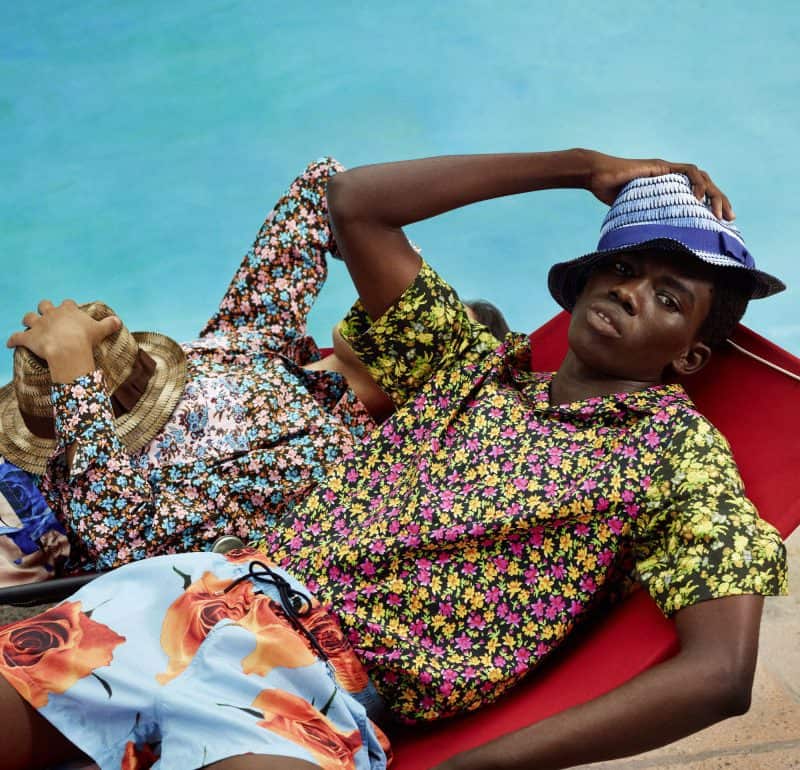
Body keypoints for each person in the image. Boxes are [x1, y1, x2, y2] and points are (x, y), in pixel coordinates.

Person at [0, 149, 787, 770]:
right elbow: (354, 203)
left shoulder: (673, 455)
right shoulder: (468, 367)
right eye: (620, 268)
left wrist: (480, 765)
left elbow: (721, 674)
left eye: (670, 297)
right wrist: (582, 168)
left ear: (691, 358)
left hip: (311, 688)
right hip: (194, 596)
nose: (629, 292)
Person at [0, 158, 509, 580]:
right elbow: (322, 189)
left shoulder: (329, 454)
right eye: (404, 308)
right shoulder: (262, 334)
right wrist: (386, 260)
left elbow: (131, 539)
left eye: (423, 335)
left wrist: (73, 368)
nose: (398, 319)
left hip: (26, 533)